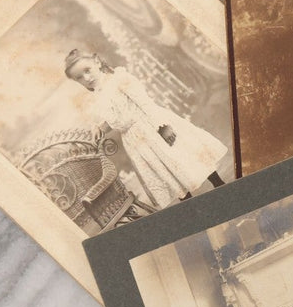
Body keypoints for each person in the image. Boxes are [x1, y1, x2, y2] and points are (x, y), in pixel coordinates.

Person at [64, 49, 226, 209]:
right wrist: (100, 127)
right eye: (80, 77)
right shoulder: (98, 97)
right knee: (166, 172)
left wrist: (162, 125)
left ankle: (220, 185)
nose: (86, 77)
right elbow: (117, 120)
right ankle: (192, 206)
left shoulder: (118, 79)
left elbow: (145, 102)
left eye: (87, 70)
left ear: (97, 62)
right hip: (135, 141)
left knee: (184, 157)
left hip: (150, 126)